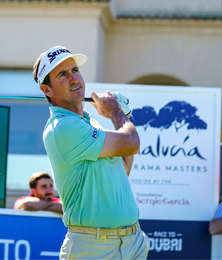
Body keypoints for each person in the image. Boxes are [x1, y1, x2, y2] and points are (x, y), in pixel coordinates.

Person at [33, 46, 149, 259]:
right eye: (62, 74)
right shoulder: (63, 128)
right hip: (94, 248)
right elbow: (132, 142)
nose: (74, 78)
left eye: (75, 70)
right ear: (47, 90)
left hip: (132, 242)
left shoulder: (90, 123)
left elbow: (123, 169)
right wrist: (116, 113)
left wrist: (126, 116)